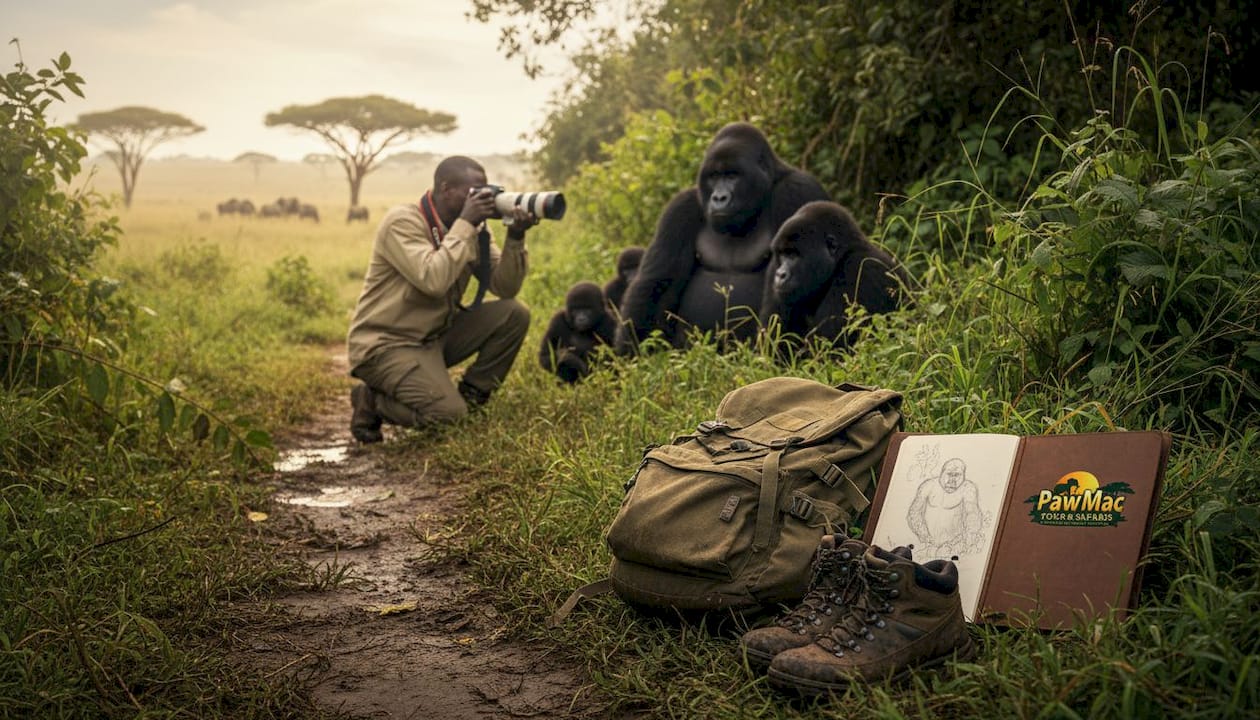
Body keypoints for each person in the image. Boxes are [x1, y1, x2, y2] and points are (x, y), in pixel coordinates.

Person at [346, 156, 538, 443]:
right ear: (446, 188)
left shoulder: (475, 229)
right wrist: (465, 224)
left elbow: (505, 287)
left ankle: (472, 397)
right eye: (474, 192)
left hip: (434, 336)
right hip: (386, 345)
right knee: (448, 416)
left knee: (513, 314)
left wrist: (515, 236)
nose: (483, 199)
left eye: (486, 191)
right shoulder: (403, 221)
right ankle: (371, 400)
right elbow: (433, 280)